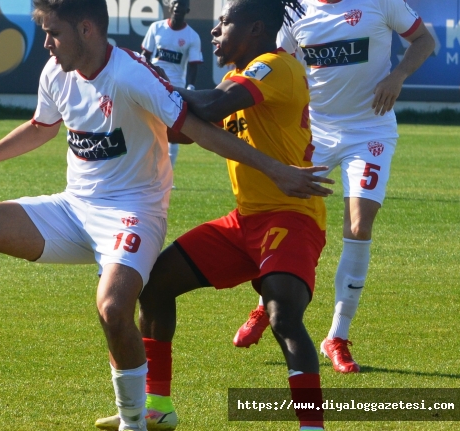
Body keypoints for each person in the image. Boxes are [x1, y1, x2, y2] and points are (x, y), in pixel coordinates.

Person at [0, 1, 332, 430]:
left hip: (150, 214)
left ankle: (147, 419)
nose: (46, 43)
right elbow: (41, 126)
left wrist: (274, 168)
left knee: (128, 309)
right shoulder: (57, 71)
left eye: (53, 33)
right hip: (80, 209)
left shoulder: (149, 73)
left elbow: (200, 123)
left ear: (86, 29)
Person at [96, 0, 330, 429]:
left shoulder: (273, 66)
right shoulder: (237, 78)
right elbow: (188, 128)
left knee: (283, 315)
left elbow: (211, 105)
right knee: (155, 286)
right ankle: (158, 406)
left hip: (291, 217)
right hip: (244, 222)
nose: (214, 31)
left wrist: (143, 81)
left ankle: (311, 425)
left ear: (256, 28)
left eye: (225, 23)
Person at [232, 0, 435, 375]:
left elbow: (423, 40)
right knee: (289, 217)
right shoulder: (295, 11)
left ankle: (336, 337)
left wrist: (398, 76)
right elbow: (277, 60)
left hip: (370, 129)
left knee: (358, 227)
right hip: (314, 132)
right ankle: (268, 304)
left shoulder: (380, 2)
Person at [141, 0, 203, 173]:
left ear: (187, 10)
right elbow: (145, 55)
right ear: (169, 6)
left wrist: (190, 86)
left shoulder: (192, 36)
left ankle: (168, 174)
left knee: (174, 131)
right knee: (146, 127)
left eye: (181, 4)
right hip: (152, 85)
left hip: (174, 88)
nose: (177, 7)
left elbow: (193, 64)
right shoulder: (156, 28)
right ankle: (145, 172)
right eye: (175, 3)